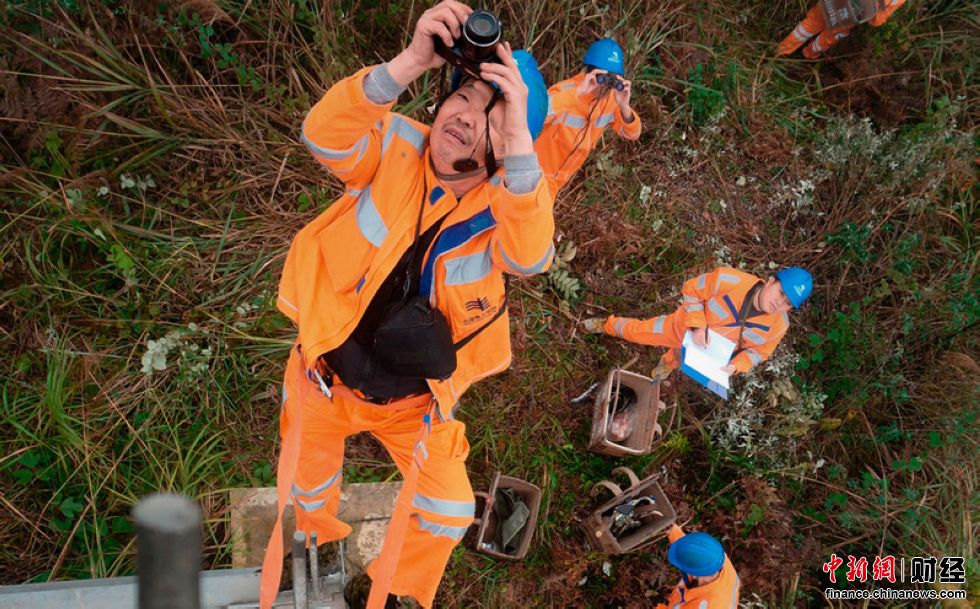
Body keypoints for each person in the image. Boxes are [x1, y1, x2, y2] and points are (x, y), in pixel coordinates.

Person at [258, 2, 554, 608]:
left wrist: (519, 143)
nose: (464, 116)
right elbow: (323, 134)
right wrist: (411, 61)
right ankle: (317, 547)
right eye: (462, 97)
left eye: (491, 116)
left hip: (412, 408)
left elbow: (530, 258)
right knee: (309, 489)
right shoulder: (394, 146)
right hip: (323, 378)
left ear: (509, 146)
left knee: (448, 511)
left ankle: (390, 591)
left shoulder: (504, 209)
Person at [583, 267, 813, 383]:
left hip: (706, 354)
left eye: (787, 303)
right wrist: (698, 326)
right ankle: (607, 325)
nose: (779, 303)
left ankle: (666, 365)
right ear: (771, 281)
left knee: (676, 359)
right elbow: (692, 289)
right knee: (638, 331)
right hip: (679, 328)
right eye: (781, 292)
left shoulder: (779, 326)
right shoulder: (730, 279)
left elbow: (758, 353)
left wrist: (736, 366)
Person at [536, 37, 641, 194]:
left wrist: (624, 106)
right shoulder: (565, 91)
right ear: (590, 72)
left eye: (612, 79)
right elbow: (534, 117)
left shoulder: (612, 100)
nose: (606, 87)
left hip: (555, 184)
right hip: (532, 176)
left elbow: (633, 133)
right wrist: (578, 93)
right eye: (603, 78)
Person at [777, 0, 907, 59]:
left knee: (808, 26)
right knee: (826, 40)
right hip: (846, 18)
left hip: (829, 3)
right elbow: (875, 22)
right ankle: (808, 55)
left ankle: (782, 50)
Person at [656, 524, 741, 609]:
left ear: (694, 574)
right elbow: (699, 551)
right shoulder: (717, 557)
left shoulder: (703, 605)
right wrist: (676, 535)